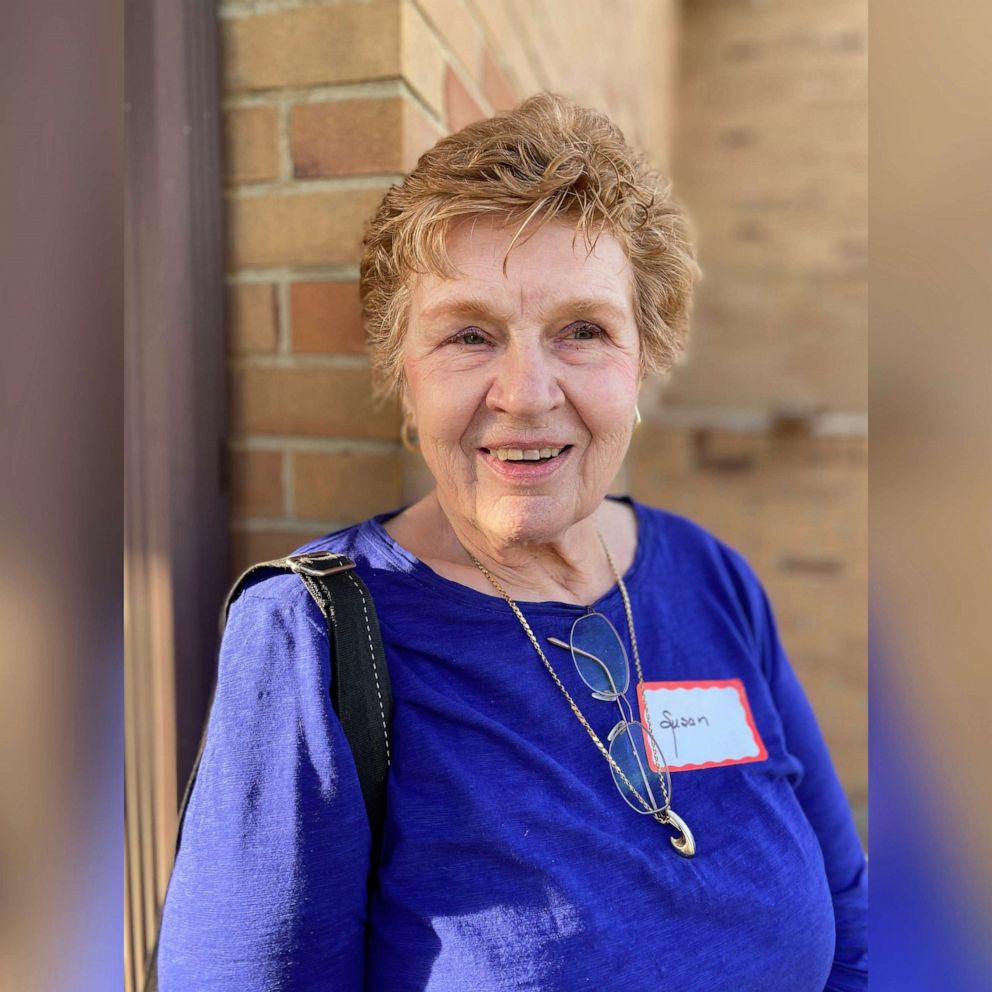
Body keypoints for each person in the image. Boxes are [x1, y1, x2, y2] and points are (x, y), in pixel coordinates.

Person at [158, 93, 868, 991]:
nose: (526, 392)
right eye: (468, 334)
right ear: (403, 380)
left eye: (583, 330)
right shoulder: (310, 641)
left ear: (642, 360)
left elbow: (852, 923)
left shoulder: (709, 576)